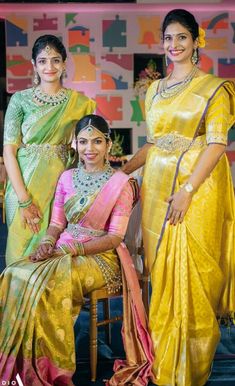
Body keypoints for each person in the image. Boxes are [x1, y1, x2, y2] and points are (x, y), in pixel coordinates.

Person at [122, 9, 235, 386]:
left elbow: (217, 143)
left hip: (197, 191)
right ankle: (166, 360)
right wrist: (119, 174)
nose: (174, 45)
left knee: (193, 276)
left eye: (182, 38)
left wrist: (187, 190)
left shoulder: (214, 88)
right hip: (157, 189)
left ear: (196, 41)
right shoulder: (153, 89)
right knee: (162, 276)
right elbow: (153, 145)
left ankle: (190, 368)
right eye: (168, 38)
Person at [0, 114, 153, 386]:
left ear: (108, 144)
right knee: (14, 273)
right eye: (83, 142)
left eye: (96, 141)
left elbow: (114, 237)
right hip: (62, 250)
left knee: (53, 282)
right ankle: (20, 364)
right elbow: (57, 223)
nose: (89, 148)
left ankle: (51, 369)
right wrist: (47, 243)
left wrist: (71, 249)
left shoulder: (120, 183)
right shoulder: (67, 177)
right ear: (75, 144)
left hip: (102, 258)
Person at [3, 34, 96, 265]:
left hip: (60, 188)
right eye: (43, 61)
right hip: (23, 185)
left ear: (64, 64)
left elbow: (89, 146)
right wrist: (24, 200)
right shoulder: (19, 100)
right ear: (34, 65)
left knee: (53, 255)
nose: (49, 66)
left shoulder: (81, 103)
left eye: (55, 60)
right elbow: (8, 151)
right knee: (20, 257)